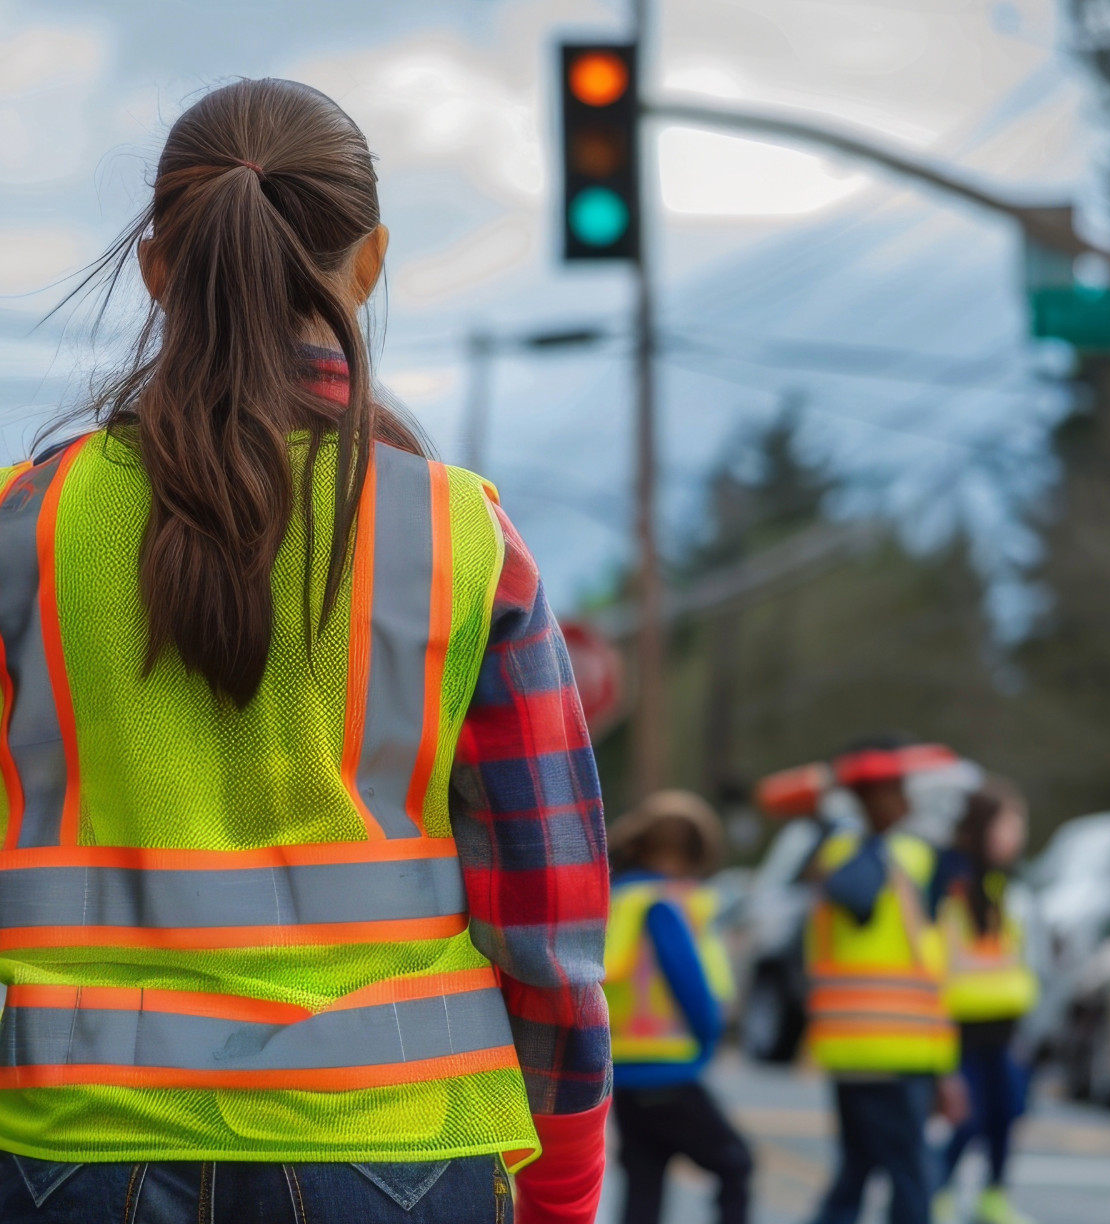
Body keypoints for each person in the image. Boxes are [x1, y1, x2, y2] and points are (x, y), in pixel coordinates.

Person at [0, 80, 610, 1223]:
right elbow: (545, 913)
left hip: (68, 1148)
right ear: (368, 262)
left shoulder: (25, 528)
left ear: (155, 267)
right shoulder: (462, 536)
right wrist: (564, 1179)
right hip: (397, 1151)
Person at [807, 737, 964, 1224]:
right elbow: (854, 896)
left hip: (887, 1048)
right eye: (896, 793)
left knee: (859, 1170)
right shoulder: (862, 853)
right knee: (910, 1175)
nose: (908, 804)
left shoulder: (892, 853)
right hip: (886, 1050)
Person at [605, 791, 755, 1224]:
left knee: (644, 1187)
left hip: (624, 1067)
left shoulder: (619, 900)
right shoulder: (663, 905)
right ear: (687, 852)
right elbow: (687, 980)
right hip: (670, 1066)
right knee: (735, 1164)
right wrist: (709, 1037)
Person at [932, 779, 1040, 1224]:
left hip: (1005, 1023)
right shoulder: (953, 884)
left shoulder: (1003, 889)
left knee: (1007, 1111)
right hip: (960, 1023)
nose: (1017, 835)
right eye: (1009, 824)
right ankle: (936, 1190)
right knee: (967, 1118)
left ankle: (992, 1194)